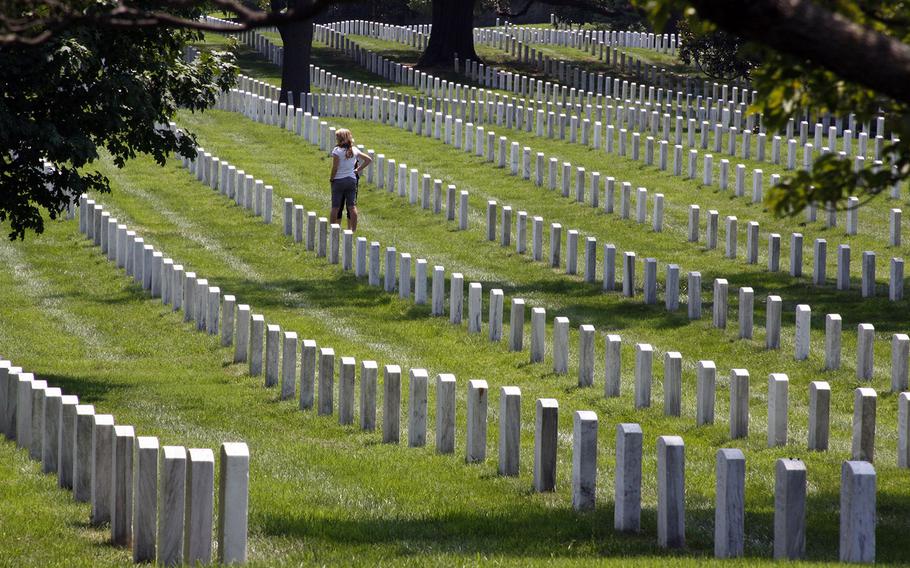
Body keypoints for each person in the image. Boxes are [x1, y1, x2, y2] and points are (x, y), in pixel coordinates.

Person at [329, 128, 371, 231]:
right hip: (351, 180)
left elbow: (335, 167)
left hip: (339, 180)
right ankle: (353, 230)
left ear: (340, 138)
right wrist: (357, 170)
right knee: (352, 207)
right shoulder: (354, 149)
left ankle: (332, 229)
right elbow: (368, 159)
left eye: (337, 137)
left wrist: (331, 178)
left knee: (335, 207)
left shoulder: (337, 151)